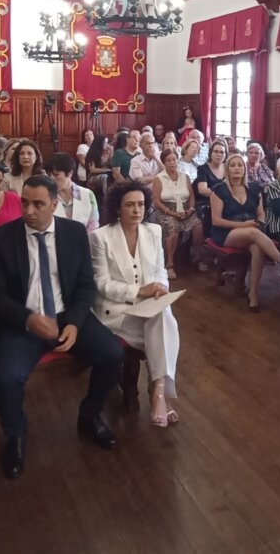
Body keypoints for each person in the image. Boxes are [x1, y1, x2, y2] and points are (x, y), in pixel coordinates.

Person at [0, 176, 124, 477]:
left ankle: (89, 415)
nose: (29, 211)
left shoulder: (73, 233)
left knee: (112, 354)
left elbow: (85, 285)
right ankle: (16, 435)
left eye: (38, 204)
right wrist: (28, 319)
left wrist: (73, 322)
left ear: (55, 205)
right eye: (24, 202)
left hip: (65, 314)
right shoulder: (2, 238)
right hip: (23, 321)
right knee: (6, 378)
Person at [90, 180, 180, 428]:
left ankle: (158, 391)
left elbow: (160, 270)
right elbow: (101, 283)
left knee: (162, 313)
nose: (137, 210)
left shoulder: (153, 231)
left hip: (149, 307)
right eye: (130, 205)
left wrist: (161, 287)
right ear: (118, 208)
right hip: (116, 311)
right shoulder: (100, 237)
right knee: (165, 327)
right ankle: (160, 393)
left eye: (141, 204)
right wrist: (139, 291)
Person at [210, 154, 280, 312]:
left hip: (251, 230)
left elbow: (261, 214)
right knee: (253, 235)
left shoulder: (254, 188)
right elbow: (216, 221)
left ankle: (253, 294)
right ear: (227, 169)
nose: (236, 168)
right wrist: (242, 225)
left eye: (239, 165)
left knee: (257, 247)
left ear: (244, 169)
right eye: (233, 165)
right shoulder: (219, 190)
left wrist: (259, 224)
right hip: (226, 232)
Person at [153, 149, 205, 279]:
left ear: (178, 160)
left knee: (198, 226)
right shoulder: (159, 178)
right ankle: (170, 264)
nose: (171, 163)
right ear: (164, 163)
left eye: (174, 159)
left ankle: (198, 258)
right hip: (166, 210)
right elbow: (156, 202)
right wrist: (171, 213)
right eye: (168, 160)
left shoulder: (184, 176)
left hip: (185, 209)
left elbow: (191, 197)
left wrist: (191, 209)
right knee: (173, 228)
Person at [46, 153, 100, 232]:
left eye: (56, 175)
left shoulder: (88, 195)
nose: (51, 179)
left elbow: (93, 226)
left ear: (70, 173)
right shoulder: (47, 196)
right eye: (49, 175)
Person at [194, 139, 227, 227]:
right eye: (216, 151)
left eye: (222, 152)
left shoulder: (228, 168)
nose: (219, 155)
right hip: (205, 202)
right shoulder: (203, 169)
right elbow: (203, 190)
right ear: (210, 153)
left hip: (225, 201)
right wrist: (222, 196)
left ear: (225, 155)